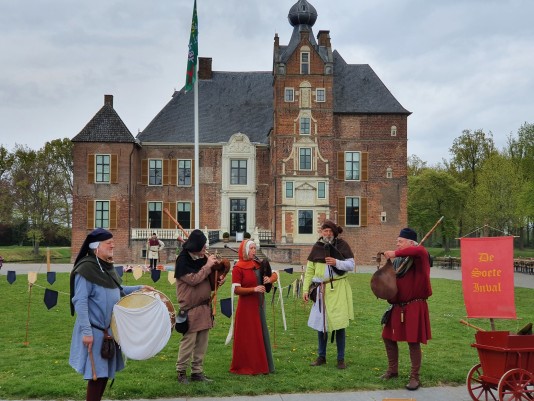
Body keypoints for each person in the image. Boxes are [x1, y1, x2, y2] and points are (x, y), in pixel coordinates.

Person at [69, 228, 153, 401]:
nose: (113, 245)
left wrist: (139, 288)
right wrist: (86, 332)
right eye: (109, 243)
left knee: (104, 374)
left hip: (109, 331)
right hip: (94, 330)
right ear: (96, 247)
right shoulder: (86, 269)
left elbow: (117, 291)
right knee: (96, 375)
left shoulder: (106, 267)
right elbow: (80, 301)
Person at [381, 227, 432, 391]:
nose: (397, 244)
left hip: (414, 306)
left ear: (411, 243)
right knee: (387, 336)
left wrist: (395, 253)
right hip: (397, 306)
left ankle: (414, 377)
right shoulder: (399, 262)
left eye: (400, 241)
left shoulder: (420, 258)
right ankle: (392, 370)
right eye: (397, 241)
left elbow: (420, 251)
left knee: (413, 341)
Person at [175, 229, 226, 384]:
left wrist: (218, 279)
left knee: (202, 342)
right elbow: (194, 279)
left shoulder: (202, 258)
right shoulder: (182, 260)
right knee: (188, 342)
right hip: (190, 308)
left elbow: (208, 280)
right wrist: (208, 266)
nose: (205, 248)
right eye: (203, 245)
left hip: (204, 307)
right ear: (196, 245)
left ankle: (197, 372)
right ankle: (181, 372)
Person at [303, 220, 355, 369]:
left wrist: (336, 262)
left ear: (334, 232)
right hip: (321, 291)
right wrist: (306, 290)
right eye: (325, 231)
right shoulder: (317, 248)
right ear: (321, 232)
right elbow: (309, 272)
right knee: (322, 325)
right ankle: (321, 356)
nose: (327, 234)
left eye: (330, 231)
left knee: (339, 324)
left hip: (338, 289)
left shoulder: (342, 245)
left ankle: (340, 359)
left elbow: (351, 265)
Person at [230, 239, 278, 375]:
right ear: (245, 250)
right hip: (246, 308)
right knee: (248, 336)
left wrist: (270, 279)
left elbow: (275, 274)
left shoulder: (258, 264)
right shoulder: (238, 268)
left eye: (254, 248)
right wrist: (254, 289)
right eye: (251, 248)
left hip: (259, 306)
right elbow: (236, 290)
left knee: (260, 334)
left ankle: (262, 365)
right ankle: (246, 365)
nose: (253, 251)